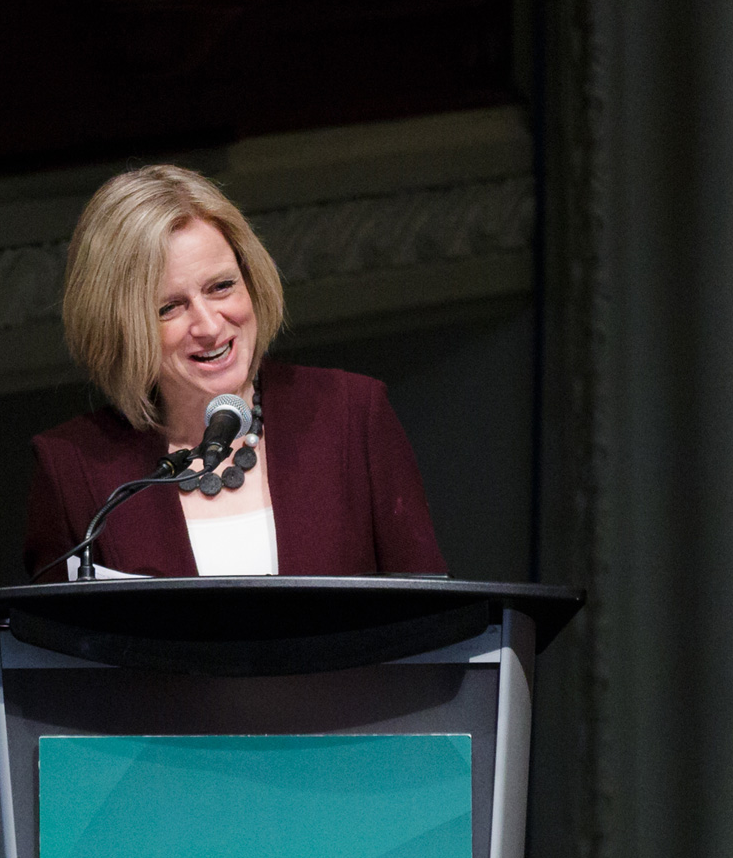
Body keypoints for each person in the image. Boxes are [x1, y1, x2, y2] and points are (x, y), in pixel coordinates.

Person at [23, 165, 446, 580]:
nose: (209, 326)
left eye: (220, 286)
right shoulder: (72, 469)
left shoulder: (350, 414)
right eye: (168, 308)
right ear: (118, 327)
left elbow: (434, 626)